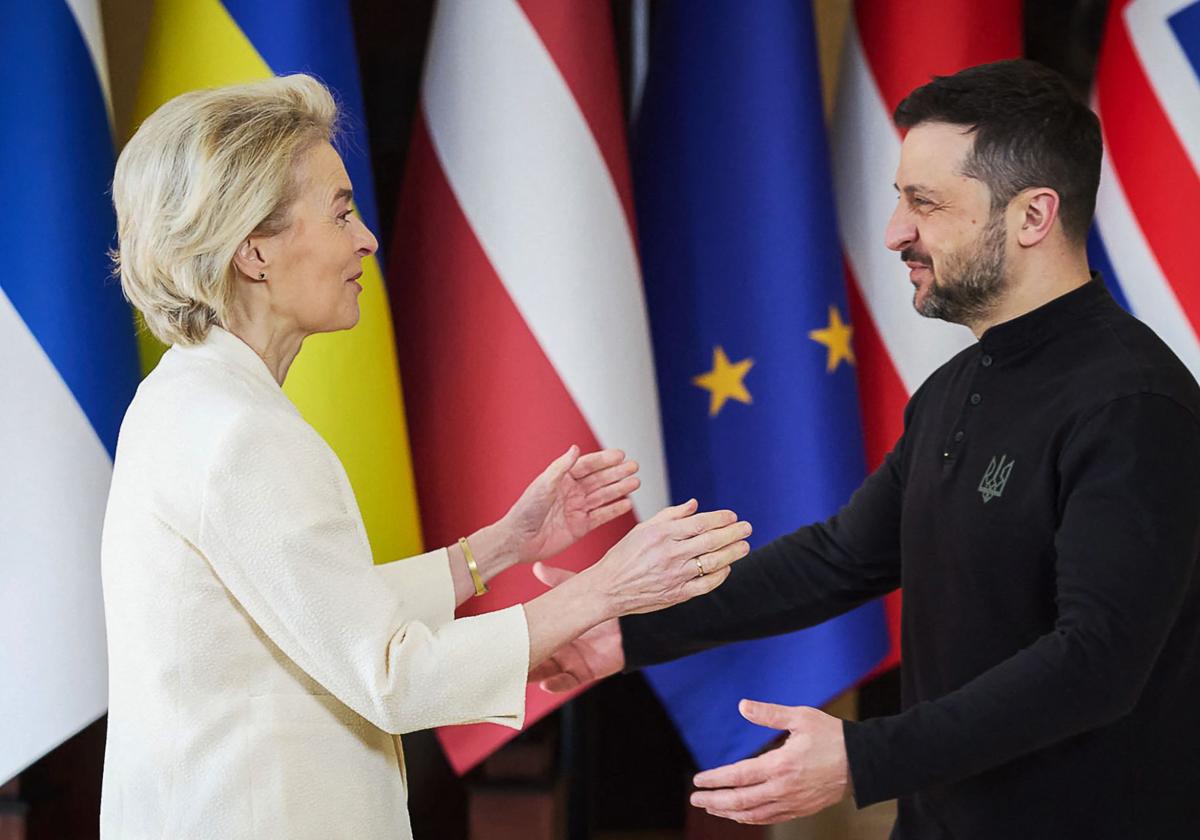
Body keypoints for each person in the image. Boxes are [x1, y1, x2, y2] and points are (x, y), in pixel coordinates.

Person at [532, 59, 1200, 838]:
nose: (895, 234)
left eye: (925, 203)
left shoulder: (1134, 404)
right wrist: (626, 630)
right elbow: (841, 559)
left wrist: (863, 755)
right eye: (899, 201)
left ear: (1032, 216)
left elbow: (1096, 664)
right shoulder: (954, 388)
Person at [100, 74, 752, 840]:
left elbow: (315, 613)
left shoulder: (189, 397)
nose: (366, 239)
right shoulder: (239, 432)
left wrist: (502, 547)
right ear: (253, 250)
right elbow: (389, 675)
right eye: (341, 211)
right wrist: (607, 589)